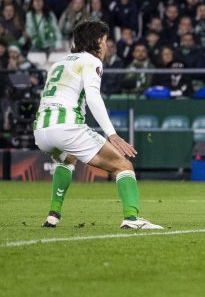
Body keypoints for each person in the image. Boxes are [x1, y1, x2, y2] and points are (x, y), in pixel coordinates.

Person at [33, 20, 162, 230]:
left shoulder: (58, 63)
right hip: (67, 127)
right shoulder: (91, 61)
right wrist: (112, 135)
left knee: (68, 158)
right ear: (98, 41)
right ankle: (131, 219)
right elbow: (93, 98)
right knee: (123, 165)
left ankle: (53, 216)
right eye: (105, 40)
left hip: (41, 131)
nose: (107, 46)